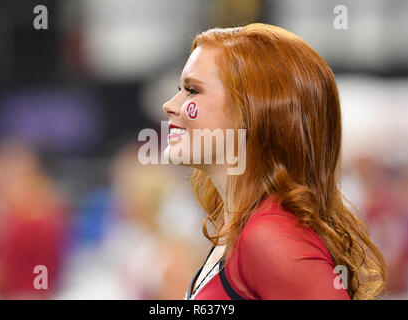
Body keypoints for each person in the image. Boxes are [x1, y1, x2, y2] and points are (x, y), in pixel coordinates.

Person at [161, 23, 387, 300]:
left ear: (254, 110)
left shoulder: (269, 234)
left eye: (192, 90)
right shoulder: (247, 226)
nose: (170, 104)